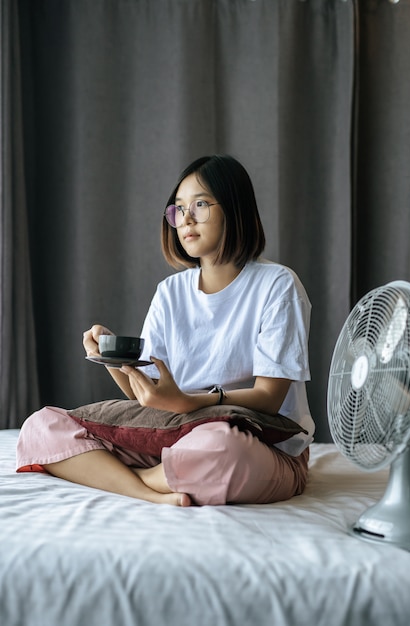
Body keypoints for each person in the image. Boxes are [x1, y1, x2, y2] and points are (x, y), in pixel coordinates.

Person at [16, 154, 315, 507]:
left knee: (220, 448)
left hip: (262, 446)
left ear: (235, 209)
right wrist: (112, 358)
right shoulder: (170, 291)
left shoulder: (277, 285)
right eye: (178, 209)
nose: (185, 219)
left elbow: (269, 397)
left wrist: (190, 402)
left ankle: (126, 478)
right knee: (41, 426)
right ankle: (147, 490)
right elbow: (145, 396)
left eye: (200, 205)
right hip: (175, 434)